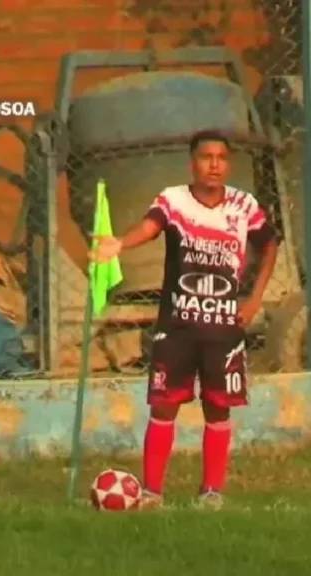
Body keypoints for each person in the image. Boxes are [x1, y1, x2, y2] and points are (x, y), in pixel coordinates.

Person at [91, 129, 278, 510]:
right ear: (192, 163)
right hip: (177, 327)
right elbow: (150, 226)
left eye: (221, 158)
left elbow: (270, 244)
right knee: (164, 406)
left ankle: (211, 492)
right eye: (206, 157)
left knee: (218, 407)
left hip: (224, 329)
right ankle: (152, 492)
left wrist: (255, 298)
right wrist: (119, 244)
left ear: (228, 163)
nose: (214, 165)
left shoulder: (245, 206)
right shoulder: (173, 200)